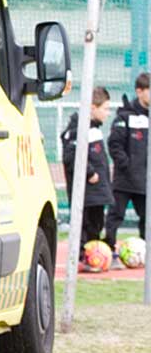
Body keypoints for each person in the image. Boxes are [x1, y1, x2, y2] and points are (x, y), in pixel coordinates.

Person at [63, 86, 114, 260]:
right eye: (105, 108)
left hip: (98, 193)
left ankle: (94, 258)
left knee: (96, 225)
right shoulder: (77, 129)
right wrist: (89, 173)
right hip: (86, 194)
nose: (108, 113)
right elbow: (70, 156)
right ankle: (81, 257)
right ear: (92, 108)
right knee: (84, 226)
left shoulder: (95, 128)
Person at [105, 73, 148, 252]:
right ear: (139, 91)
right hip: (125, 179)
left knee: (147, 217)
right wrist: (127, 166)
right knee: (115, 216)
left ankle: (146, 252)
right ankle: (108, 249)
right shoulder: (125, 117)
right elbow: (114, 144)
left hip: (145, 180)